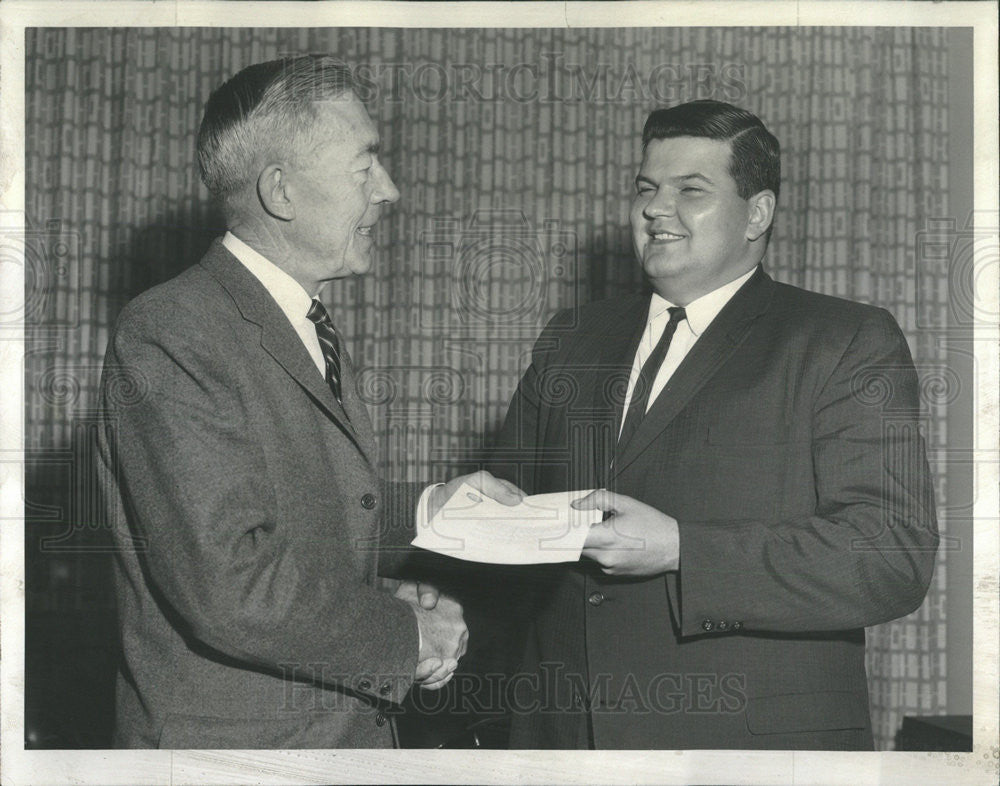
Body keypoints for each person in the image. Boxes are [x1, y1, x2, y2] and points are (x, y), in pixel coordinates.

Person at [95, 55, 519, 749]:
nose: (390, 190)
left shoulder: (298, 321)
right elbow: (231, 587)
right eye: (365, 166)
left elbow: (295, 512)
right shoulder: (171, 329)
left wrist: (426, 508)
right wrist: (405, 632)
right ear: (281, 192)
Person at [491, 100, 939, 749]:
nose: (653, 208)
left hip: (749, 745)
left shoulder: (842, 340)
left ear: (757, 212)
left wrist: (683, 549)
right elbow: (509, 518)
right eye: (646, 189)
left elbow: (890, 555)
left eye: (689, 191)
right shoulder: (570, 340)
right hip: (564, 740)